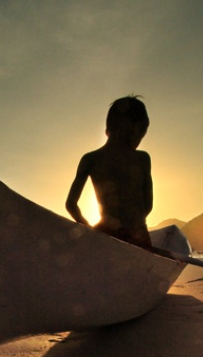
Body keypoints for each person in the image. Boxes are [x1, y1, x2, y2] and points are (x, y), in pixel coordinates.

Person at [65, 96, 153, 249]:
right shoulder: (142, 159)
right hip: (138, 236)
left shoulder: (90, 159)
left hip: (105, 233)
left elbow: (71, 204)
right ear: (133, 129)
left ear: (108, 128)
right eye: (141, 134)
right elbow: (148, 205)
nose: (139, 140)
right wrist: (132, 226)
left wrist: (89, 229)